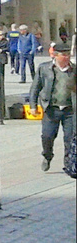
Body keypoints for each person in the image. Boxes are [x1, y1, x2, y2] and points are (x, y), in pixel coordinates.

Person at [30, 42, 73, 172]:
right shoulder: (44, 69)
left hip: (70, 110)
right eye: (63, 55)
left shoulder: (74, 69)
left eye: (68, 54)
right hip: (51, 109)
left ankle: (68, 164)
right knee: (47, 136)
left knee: (70, 138)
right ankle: (47, 156)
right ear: (55, 55)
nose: (66, 57)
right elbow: (35, 88)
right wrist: (33, 105)